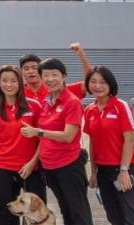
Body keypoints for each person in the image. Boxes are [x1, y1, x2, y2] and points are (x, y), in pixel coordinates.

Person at [0, 65, 47, 225]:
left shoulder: (33, 105)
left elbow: (43, 138)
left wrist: (33, 163)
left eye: (13, 81)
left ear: (20, 83)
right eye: (4, 81)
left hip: (29, 168)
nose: (9, 85)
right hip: (1, 166)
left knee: (37, 211)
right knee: (4, 211)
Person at [30, 59, 93, 225]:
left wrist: (39, 132)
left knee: (78, 211)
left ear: (64, 76)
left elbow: (68, 136)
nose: (50, 79)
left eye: (54, 74)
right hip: (50, 166)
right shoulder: (46, 101)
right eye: (46, 75)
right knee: (65, 209)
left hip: (69, 165)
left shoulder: (71, 101)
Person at [83, 66, 134, 225]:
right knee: (114, 217)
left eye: (103, 82)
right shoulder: (89, 110)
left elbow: (129, 139)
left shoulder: (121, 106)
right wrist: (94, 172)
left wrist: (124, 170)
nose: (98, 86)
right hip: (103, 172)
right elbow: (93, 143)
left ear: (111, 84)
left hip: (125, 169)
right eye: (93, 82)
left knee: (131, 218)